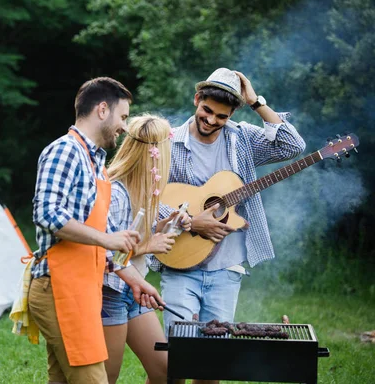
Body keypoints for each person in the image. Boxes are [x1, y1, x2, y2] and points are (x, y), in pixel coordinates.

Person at [151, 68, 306, 384]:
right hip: (181, 264)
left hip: (226, 268)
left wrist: (255, 101)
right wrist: (193, 221)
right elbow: (150, 201)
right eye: (206, 110)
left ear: (232, 113)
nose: (210, 120)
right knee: (175, 361)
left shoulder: (243, 138)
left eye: (221, 116)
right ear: (197, 99)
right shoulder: (169, 144)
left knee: (212, 366)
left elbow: (294, 146)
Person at [29, 77, 166, 384]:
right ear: (102, 110)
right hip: (58, 287)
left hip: (82, 287)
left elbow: (97, 239)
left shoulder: (96, 164)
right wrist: (107, 238)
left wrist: (133, 280)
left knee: (61, 380)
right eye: (123, 116)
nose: (124, 126)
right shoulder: (65, 151)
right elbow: (46, 213)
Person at [102, 114, 191, 384]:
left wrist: (161, 227)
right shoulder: (115, 191)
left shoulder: (146, 189)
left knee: (167, 373)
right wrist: (149, 245)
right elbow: (106, 254)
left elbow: (130, 236)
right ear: (155, 154)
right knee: (104, 378)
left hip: (135, 289)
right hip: (109, 292)